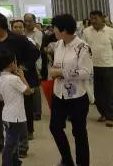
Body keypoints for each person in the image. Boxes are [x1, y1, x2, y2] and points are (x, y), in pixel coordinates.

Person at [0, 13, 39, 156]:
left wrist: (22, 68)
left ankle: (22, 146)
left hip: (13, 80)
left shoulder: (18, 39)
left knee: (17, 113)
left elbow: (35, 53)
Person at [48, 14, 93, 166]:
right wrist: (54, 70)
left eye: (55, 28)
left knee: (79, 132)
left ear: (64, 30)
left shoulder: (82, 47)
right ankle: (67, 160)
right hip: (59, 94)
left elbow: (86, 72)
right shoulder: (58, 45)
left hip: (77, 96)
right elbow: (57, 65)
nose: (53, 30)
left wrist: (62, 72)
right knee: (55, 128)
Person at [0, 50, 33, 166]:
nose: (16, 65)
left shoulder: (0, 79)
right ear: (11, 64)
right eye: (15, 62)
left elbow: (1, 98)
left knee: (13, 140)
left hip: (6, 114)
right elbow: (28, 91)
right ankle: (7, 163)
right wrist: (22, 76)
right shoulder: (14, 79)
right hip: (15, 116)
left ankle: (15, 162)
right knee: (11, 143)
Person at [82, 10, 113, 127]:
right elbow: (83, 48)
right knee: (96, 93)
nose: (93, 21)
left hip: (108, 65)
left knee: (109, 92)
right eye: (91, 18)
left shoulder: (110, 31)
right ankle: (103, 113)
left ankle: (110, 116)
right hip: (92, 66)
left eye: (95, 18)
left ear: (102, 18)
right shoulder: (86, 32)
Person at [23, 13, 43, 120]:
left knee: (35, 87)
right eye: (25, 21)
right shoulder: (22, 32)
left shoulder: (38, 33)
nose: (27, 23)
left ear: (34, 22)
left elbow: (37, 46)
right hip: (23, 63)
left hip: (35, 63)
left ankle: (37, 112)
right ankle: (28, 110)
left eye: (30, 21)